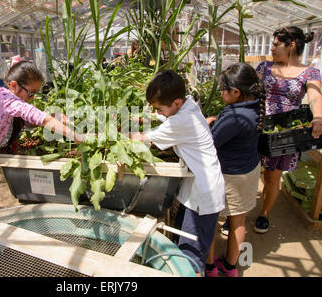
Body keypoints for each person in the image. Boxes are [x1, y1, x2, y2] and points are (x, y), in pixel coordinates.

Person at [0, 57, 83, 214]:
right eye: (31, 93)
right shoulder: (3, 98)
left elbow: (31, 122)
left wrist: (55, 116)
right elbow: (35, 115)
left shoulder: (4, 97)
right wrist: (76, 136)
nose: (32, 98)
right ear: (13, 85)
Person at [130, 70, 225, 276]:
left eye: (160, 108)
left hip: (203, 195)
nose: (160, 112)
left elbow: (140, 139)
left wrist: (107, 134)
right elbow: (167, 117)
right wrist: (146, 116)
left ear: (177, 103)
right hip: (197, 189)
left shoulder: (182, 122)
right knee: (184, 244)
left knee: (189, 258)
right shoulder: (188, 105)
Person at [254, 26, 322, 234]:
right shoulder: (264, 67)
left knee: (272, 177)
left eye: (276, 45)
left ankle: (264, 213)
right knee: (248, 172)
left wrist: (318, 117)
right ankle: (236, 213)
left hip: (284, 133)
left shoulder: (309, 72)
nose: (272, 49)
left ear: (291, 46)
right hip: (257, 127)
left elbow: (315, 96)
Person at [204, 63, 266, 277]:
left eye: (223, 89)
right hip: (248, 170)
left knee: (211, 220)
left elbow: (211, 141)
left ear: (236, 92)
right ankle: (230, 268)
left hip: (229, 174)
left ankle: (210, 267)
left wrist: (206, 124)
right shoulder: (255, 106)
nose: (220, 92)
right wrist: (216, 119)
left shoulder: (234, 117)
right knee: (238, 221)